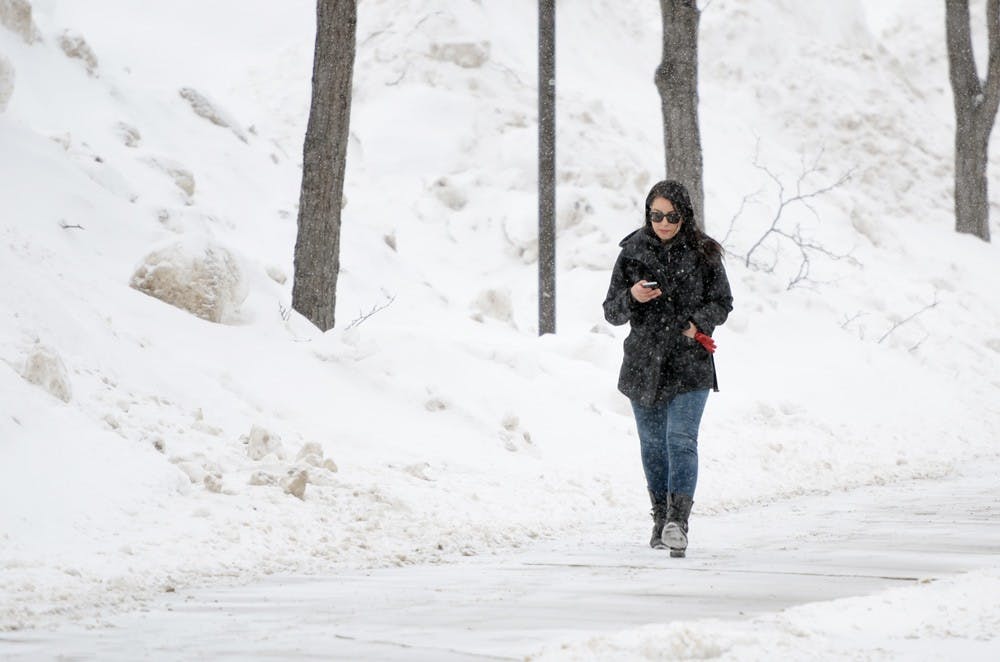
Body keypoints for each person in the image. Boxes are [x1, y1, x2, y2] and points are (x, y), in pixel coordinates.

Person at [602, 180, 733, 558]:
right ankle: (660, 519)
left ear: (684, 215)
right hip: (644, 363)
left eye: (671, 216)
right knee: (654, 448)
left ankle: (679, 522)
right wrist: (632, 295)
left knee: (681, 441)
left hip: (689, 363)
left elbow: (723, 302)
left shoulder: (705, 253)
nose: (663, 222)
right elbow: (611, 311)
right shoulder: (632, 251)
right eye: (656, 215)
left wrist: (697, 325)